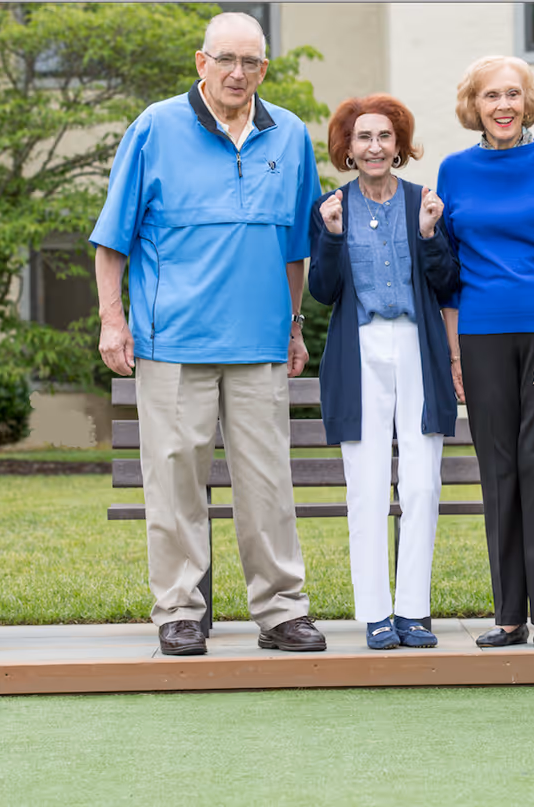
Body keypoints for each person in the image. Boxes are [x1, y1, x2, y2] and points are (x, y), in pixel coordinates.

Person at [90, 12, 325, 656]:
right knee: (175, 481)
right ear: (201, 62)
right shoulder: (155, 127)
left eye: (250, 62)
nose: (237, 73)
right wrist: (114, 320)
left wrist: (296, 326)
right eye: (226, 60)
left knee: (268, 482)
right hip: (173, 341)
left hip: (260, 344)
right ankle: (180, 611)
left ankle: (281, 610)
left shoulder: (292, 136)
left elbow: (294, 248)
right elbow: (113, 239)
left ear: (264, 70)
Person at [437, 55, 534, 649]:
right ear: (473, 106)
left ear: (527, 101)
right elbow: (449, 276)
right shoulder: (454, 172)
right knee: (497, 473)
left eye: (512, 94)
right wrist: (455, 355)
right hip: (480, 337)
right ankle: (508, 615)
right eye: (489, 96)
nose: (502, 105)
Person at [308, 95, 460, 650]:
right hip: (360, 350)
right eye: (363, 137)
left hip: (418, 348)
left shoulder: (426, 202)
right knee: (367, 486)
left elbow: (447, 284)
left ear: (399, 146)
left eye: (385, 137)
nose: (375, 147)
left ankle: (413, 611)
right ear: (347, 148)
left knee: (421, 483)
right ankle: (374, 612)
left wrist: (427, 235)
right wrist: (328, 235)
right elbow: (323, 292)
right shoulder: (332, 207)